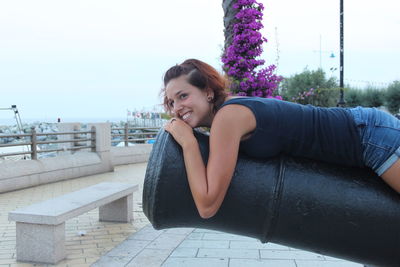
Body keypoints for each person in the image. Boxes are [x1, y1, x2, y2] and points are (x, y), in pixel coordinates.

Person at [162, 58, 400, 219]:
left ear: (208, 92)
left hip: (369, 136)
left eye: (183, 96)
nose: (177, 108)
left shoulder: (228, 118)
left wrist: (189, 143)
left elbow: (207, 205)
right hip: (364, 135)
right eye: (172, 102)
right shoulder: (229, 115)